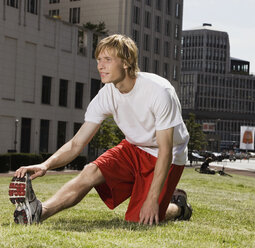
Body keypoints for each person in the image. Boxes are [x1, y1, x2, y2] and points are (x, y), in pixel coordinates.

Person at [8, 34, 192, 226]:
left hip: (167, 155)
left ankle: (179, 207)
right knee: (90, 171)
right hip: (134, 147)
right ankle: (40, 212)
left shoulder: (159, 92)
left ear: (127, 62)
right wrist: (45, 165)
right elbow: (76, 143)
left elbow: (165, 149)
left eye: (107, 60)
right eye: (99, 60)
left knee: (142, 218)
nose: (100, 66)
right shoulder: (106, 95)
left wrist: (152, 200)